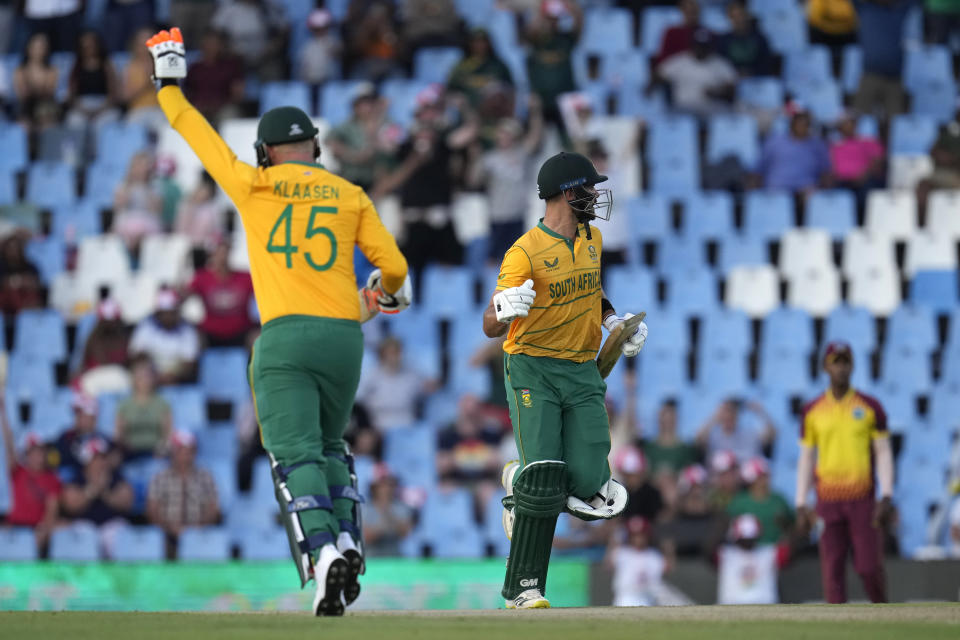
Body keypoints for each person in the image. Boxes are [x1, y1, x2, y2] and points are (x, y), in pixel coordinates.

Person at [145, 27, 410, 616]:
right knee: (330, 446)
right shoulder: (350, 194)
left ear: (266, 152)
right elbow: (394, 268)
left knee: (295, 455)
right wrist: (383, 298)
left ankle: (321, 561)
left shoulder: (253, 182)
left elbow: (194, 130)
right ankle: (345, 541)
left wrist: (168, 86)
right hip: (345, 339)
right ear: (315, 147)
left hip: (286, 338)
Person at [483, 150, 649, 608]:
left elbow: (592, 289)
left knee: (593, 484)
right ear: (564, 193)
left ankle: (518, 485)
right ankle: (525, 588)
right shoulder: (524, 252)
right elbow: (490, 324)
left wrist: (614, 322)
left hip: (580, 366)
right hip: (533, 365)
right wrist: (504, 310)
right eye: (588, 188)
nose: (595, 196)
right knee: (544, 475)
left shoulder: (591, 237)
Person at [796, 341, 895, 603]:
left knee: (868, 567)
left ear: (852, 366)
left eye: (845, 362)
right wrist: (800, 501)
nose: (840, 368)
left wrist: (886, 495)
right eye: (835, 362)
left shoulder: (870, 406)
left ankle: (883, 616)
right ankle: (837, 629)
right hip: (827, 500)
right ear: (825, 367)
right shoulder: (812, 411)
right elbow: (807, 458)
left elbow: (883, 452)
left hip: (862, 497)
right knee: (832, 570)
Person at [467, 94, 544, 262]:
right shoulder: (489, 158)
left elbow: (535, 137)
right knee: (493, 258)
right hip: (496, 215)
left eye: (507, 133)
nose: (504, 137)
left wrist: (535, 112)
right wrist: (475, 158)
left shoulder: (522, 154)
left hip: (518, 214)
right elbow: (473, 181)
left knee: (518, 258)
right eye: (501, 133)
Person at [146, 429, 220, 557]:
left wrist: (199, 527)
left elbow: (213, 509)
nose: (186, 454)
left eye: (190, 450)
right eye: (181, 450)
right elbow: (152, 510)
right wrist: (170, 528)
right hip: (167, 535)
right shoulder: (160, 477)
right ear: (173, 452)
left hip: (199, 534)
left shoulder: (205, 477)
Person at [1, 392, 60, 549]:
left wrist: (44, 530)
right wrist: (3, 414)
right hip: (13, 528)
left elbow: (51, 510)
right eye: (34, 451)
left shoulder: (51, 479)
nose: (38, 456)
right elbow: (9, 446)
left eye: (41, 451)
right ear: (27, 453)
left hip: (35, 530)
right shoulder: (18, 471)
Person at [653, 27, 737, 119]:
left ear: (710, 47)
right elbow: (658, 74)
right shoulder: (680, 61)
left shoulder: (721, 64)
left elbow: (731, 89)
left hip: (712, 110)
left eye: (704, 46)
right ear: (692, 45)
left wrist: (718, 93)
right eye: (698, 46)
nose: (701, 49)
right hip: (684, 109)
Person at [523, 0, 582, 128]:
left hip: (565, 99)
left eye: (555, 19)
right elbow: (530, 31)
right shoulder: (536, 40)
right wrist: (540, 12)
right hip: (542, 101)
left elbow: (579, 22)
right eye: (549, 19)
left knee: (571, 140)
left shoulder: (566, 39)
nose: (552, 22)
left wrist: (568, 5)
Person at [185, 240, 256, 347]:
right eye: (218, 253)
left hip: (241, 330)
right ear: (211, 255)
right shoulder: (201, 277)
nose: (222, 258)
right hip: (210, 332)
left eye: (225, 253)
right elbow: (184, 296)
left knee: (257, 338)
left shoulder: (245, 277)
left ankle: (252, 364)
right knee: (193, 339)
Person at [356, 336, 434, 431]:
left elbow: (426, 391)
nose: (395, 357)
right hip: (378, 426)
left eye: (397, 352)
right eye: (391, 353)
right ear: (383, 355)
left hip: (406, 426)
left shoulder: (413, 376)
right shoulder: (370, 376)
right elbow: (359, 402)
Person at [852, 0, 910, 121]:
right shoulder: (865, 9)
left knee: (896, 122)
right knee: (860, 119)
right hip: (870, 74)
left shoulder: (899, 10)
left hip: (894, 78)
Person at [130, 288, 201, 384]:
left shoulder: (187, 329)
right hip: (151, 375)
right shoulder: (145, 326)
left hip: (178, 379)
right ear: (158, 313)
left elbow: (190, 362)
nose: (168, 317)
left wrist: (172, 375)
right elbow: (136, 355)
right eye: (165, 313)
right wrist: (154, 374)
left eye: (172, 313)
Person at [755, 104, 832, 193]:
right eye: (799, 121)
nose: (802, 125)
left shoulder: (818, 145)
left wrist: (824, 185)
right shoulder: (774, 142)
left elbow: (826, 170)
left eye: (806, 123)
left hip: (806, 188)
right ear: (792, 123)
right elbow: (760, 166)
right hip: (777, 187)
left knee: (813, 196)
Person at [716, 513, 788, 605]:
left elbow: (789, 553)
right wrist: (720, 527)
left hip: (765, 605)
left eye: (750, 540)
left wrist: (789, 530)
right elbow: (708, 551)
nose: (747, 543)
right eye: (744, 540)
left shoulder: (769, 552)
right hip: (731, 605)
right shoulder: (725, 553)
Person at [114, 354, 174, 461]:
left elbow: (167, 434)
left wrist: (161, 449)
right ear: (134, 379)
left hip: (155, 451)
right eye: (140, 376)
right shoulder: (124, 405)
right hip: (131, 451)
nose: (144, 380)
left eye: (148, 376)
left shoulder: (162, 404)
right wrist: (125, 448)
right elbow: (119, 435)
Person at [182, 30, 246, 124]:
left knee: (230, 113)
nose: (210, 47)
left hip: (222, 108)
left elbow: (238, 94)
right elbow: (187, 93)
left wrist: (217, 105)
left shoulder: (231, 66)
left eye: (214, 44)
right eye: (207, 43)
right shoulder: (194, 68)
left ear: (221, 46)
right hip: (199, 108)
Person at [726, 457, 793, 545]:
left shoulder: (778, 500)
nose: (764, 480)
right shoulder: (739, 502)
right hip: (745, 551)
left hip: (775, 550)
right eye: (760, 477)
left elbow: (791, 523)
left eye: (765, 476)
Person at [447, 28, 514, 111]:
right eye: (476, 42)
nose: (480, 45)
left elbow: (510, 88)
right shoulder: (462, 66)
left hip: (495, 112)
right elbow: (451, 89)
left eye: (483, 42)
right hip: (468, 111)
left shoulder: (498, 65)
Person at [607, 516, 669, 607]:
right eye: (634, 535)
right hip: (624, 598)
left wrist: (668, 550)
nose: (638, 538)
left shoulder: (654, 556)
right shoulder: (621, 552)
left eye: (641, 535)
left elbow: (667, 570)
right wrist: (614, 538)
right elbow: (608, 565)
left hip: (647, 599)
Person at [65, 30, 120, 129]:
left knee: (104, 123)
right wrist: (82, 109)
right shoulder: (76, 67)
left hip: (103, 105)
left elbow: (113, 93)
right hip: (81, 105)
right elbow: (71, 94)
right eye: (85, 46)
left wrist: (100, 110)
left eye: (92, 45)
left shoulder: (106, 65)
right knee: (74, 121)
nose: (89, 49)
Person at [694, 398, 776, 462]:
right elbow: (698, 439)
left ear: (737, 417)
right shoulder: (714, 435)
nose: (729, 418)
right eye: (726, 415)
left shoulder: (749, 434)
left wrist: (760, 412)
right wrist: (714, 418)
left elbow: (771, 434)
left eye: (732, 415)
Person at [112, 151, 164, 251]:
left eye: (144, 166)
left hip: (148, 220)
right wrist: (130, 185)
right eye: (138, 165)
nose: (141, 169)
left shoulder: (155, 187)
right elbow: (118, 206)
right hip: (127, 219)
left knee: (139, 231)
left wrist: (145, 187)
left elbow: (157, 210)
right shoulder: (123, 185)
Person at [360, 464, 414, 557]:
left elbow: (405, 532)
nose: (387, 488)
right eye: (382, 484)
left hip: (394, 558)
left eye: (390, 484)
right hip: (372, 559)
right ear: (373, 487)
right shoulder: (364, 508)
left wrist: (387, 512)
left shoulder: (400, 506)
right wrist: (387, 527)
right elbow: (366, 536)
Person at [830, 111, 885, 198]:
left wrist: (865, 175)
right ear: (839, 128)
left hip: (865, 180)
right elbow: (831, 167)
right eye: (845, 124)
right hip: (842, 182)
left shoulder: (867, 142)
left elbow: (877, 161)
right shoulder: (834, 146)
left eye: (850, 123)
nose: (848, 126)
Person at [12, 33, 60, 132]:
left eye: (42, 47)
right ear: (28, 48)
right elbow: (22, 95)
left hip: (46, 108)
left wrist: (33, 88)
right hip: (26, 108)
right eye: (36, 47)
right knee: (23, 126)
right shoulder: (20, 71)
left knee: (49, 124)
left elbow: (49, 92)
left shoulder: (52, 70)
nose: (38, 51)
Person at [74, 298, 130, 380]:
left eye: (113, 321)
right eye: (106, 321)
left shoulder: (125, 339)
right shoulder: (94, 340)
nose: (110, 325)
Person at [641, 399, 698, 477]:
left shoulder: (685, 450)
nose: (668, 421)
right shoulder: (648, 448)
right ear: (659, 418)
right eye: (665, 416)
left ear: (676, 419)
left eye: (671, 417)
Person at [717, 0, 773, 77]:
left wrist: (751, 72)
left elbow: (767, 63)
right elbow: (720, 64)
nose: (738, 20)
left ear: (747, 16)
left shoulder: (760, 38)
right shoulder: (724, 40)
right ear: (729, 18)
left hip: (756, 79)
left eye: (741, 15)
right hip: (732, 80)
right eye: (734, 17)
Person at [175, 172, 226, 249]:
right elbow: (180, 228)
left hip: (204, 246)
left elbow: (217, 229)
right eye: (200, 188)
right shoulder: (186, 205)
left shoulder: (212, 209)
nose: (201, 193)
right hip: (184, 245)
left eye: (205, 189)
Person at [615, 445, 666, 523]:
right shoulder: (617, 495)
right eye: (627, 474)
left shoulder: (653, 494)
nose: (630, 478)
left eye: (633, 474)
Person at [0, 232, 43, 318]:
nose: (13, 251)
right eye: (10, 248)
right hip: (5, 304)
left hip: (26, 302)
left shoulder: (30, 266)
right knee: (12, 293)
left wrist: (13, 282)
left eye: (16, 248)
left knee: (32, 297)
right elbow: (3, 283)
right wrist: (19, 281)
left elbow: (35, 283)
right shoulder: (1, 266)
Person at [654, 0, 703, 68]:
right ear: (682, 11)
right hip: (677, 68)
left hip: (700, 69)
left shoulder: (706, 32)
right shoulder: (672, 32)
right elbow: (663, 59)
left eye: (694, 12)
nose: (692, 15)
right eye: (689, 12)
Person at [299, 9, 341, 87]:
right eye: (316, 29)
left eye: (322, 28)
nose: (319, 31)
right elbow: (303, 67)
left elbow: (338, 55)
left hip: (330, 82)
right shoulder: (308, 45)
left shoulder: (333, 41)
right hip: (311, 82)